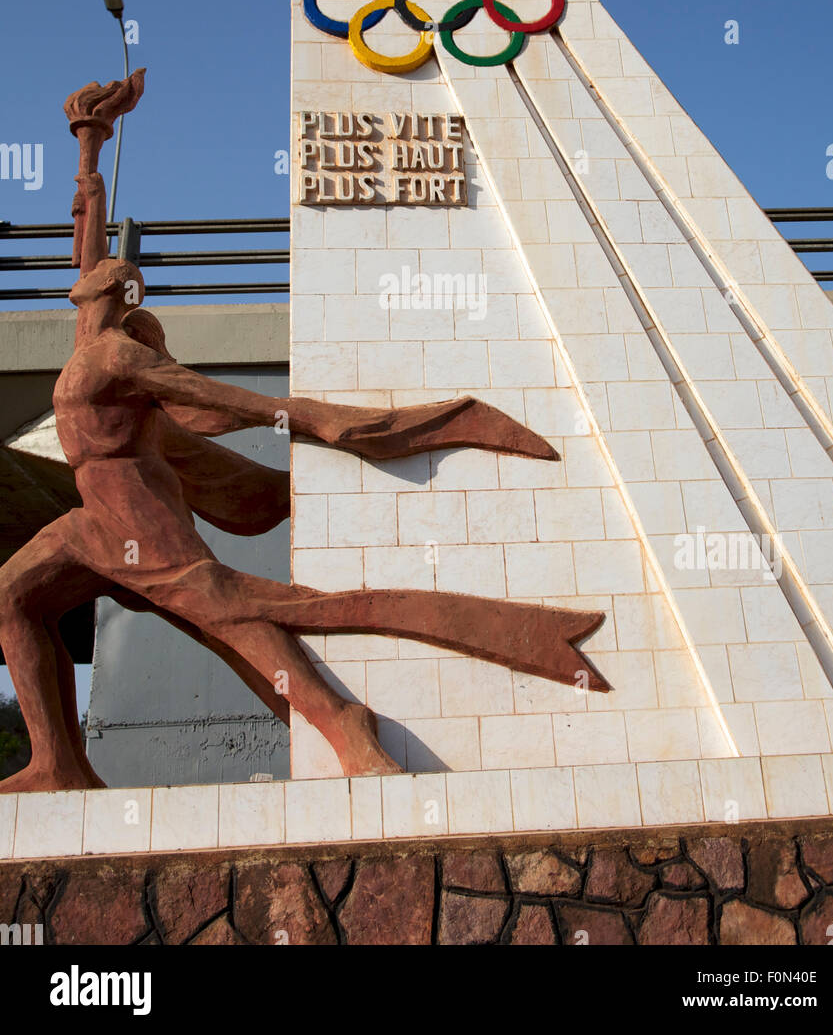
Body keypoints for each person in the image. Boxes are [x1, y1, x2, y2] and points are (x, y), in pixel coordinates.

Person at [0, 73, 608, 792]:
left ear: (116, 296)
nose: (88, 270)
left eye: (102, 276)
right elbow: (87, 233)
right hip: (94, 516)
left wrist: (332, 423)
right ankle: (59, 763)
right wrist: (89, 146)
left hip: (137, 513)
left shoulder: (121, 356)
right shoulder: (89, 336)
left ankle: (342, 723)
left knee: (229, 622)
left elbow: (227, 401)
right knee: (19, 595)